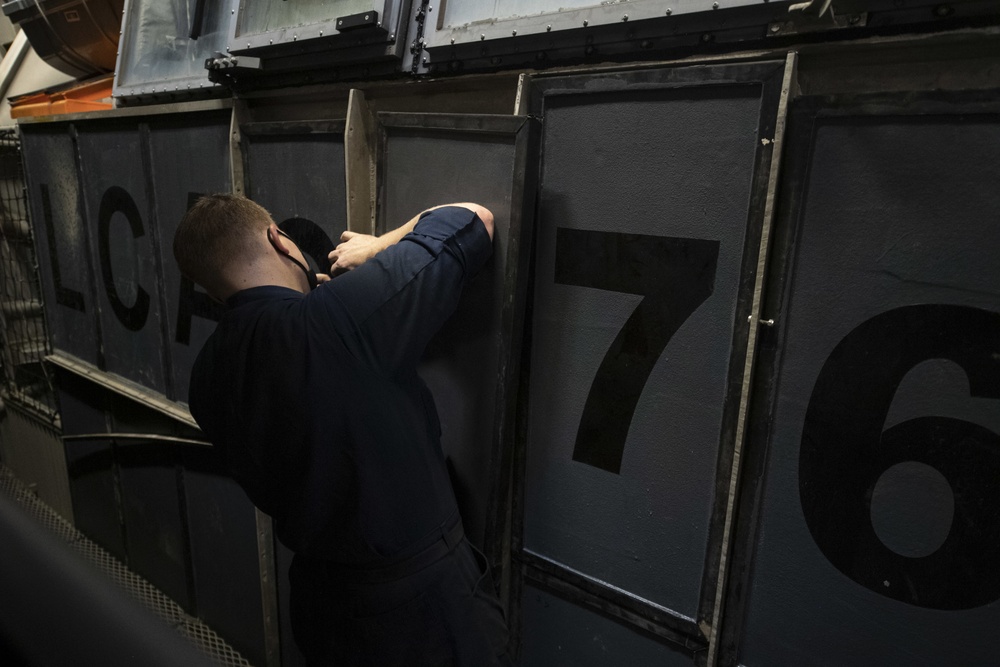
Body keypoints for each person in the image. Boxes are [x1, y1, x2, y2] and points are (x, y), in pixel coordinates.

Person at [173, 194, 509, 666]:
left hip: (322, 605)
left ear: (210, 292)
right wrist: (378, 247)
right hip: (425, 609)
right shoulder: (335, 318)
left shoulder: (204, 380)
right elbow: (474, 219)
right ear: (280, 241)